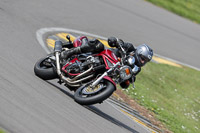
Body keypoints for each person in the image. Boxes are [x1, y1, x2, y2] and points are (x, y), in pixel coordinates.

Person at [60, 36, 153, 88]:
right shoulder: (130, 48)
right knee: (98, 45)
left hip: (108, 72)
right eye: (143, 58)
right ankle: (70, 52)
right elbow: (119, 43)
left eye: (145, 61)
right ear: (139, 52)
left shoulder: (136, 69)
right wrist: (117, 42)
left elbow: (125, 83)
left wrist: (128, 81)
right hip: (103, 57)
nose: (143, 61)